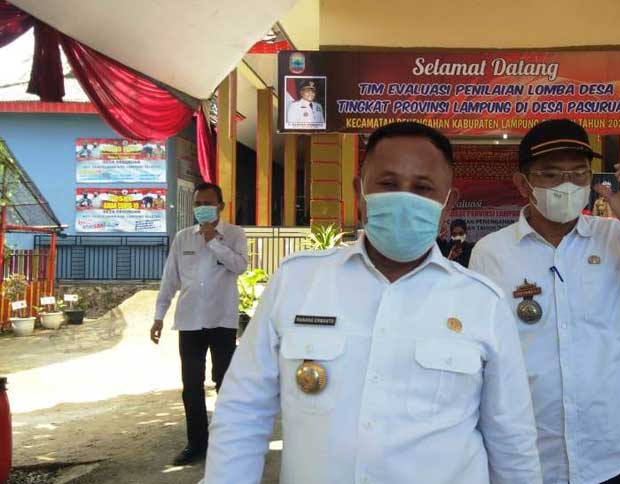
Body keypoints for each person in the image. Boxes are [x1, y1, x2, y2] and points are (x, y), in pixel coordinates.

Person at [202, 122, 542, 484]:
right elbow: (243, 411)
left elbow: (511, 439)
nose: (404, 199)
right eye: (388, 184)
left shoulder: (482, 302)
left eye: (423, 188)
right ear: (359, 192)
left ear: (448, 203)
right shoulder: (297, 282)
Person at [469, 119, 620, 484]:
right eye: (550, 174)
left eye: (578, 174)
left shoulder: (618, 238)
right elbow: (479, 353)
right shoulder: (492, 252)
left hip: (610, 453)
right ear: (523, 183)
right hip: (526, 457)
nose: (567, 185)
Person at [150, 182, 248, 466]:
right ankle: (197, 443)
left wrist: (213, 241)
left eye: (208, 203)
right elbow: (170, 278)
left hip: (222, 321)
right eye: (198, 204)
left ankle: (228, 441)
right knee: (191, 385)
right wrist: (159, 315)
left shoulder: (234, 234)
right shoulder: (183, 238)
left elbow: (240, 266)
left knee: (225, 382)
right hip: (189, 321)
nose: (202, 208)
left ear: (220, 206)